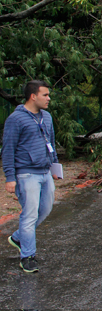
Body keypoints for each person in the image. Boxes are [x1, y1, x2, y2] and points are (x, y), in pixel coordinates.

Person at [2, 80, 60, 273]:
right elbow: (8, 150)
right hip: (26, 174)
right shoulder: (15, 119)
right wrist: (10, 178)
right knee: (29, 214)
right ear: (33, 96)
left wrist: (55, 168)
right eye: (45, 95)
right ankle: (27, 256)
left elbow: (50, 143)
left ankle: (19, 237)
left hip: (45, 172)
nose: (48, 98)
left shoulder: (47, 117)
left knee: (45, 209)